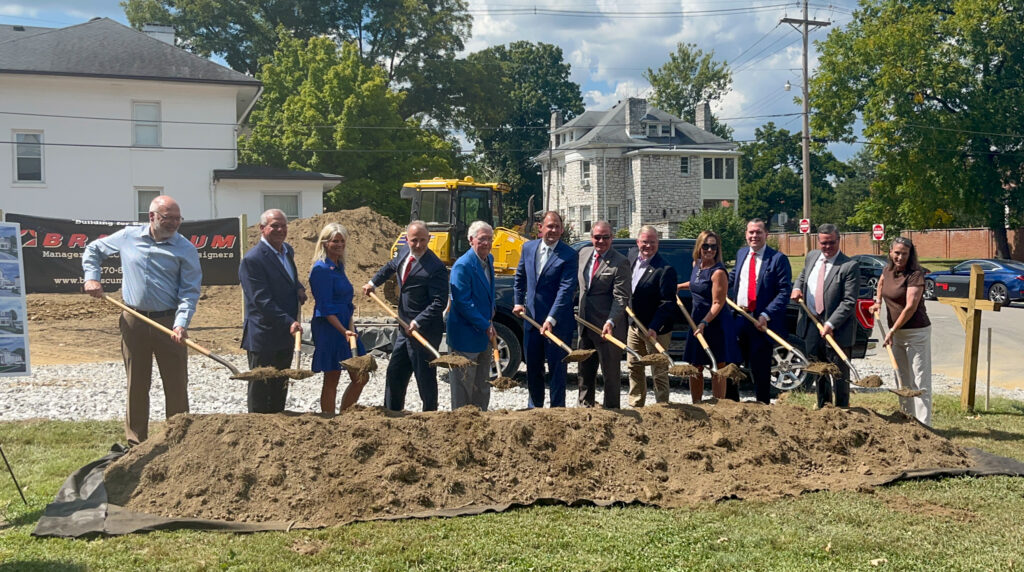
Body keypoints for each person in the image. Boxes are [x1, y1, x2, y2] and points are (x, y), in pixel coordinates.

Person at [82, 195, 201, 446]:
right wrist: (92, 277)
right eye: (169, 219)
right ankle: (136, 442)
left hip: (169, 323)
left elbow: (189, 291)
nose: (174, 224)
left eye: (178, 219)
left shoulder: (185, 249)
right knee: (137, 383)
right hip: (133, 320)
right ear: (152, 217)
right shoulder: (129, 236)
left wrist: (181, 323)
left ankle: (178, 441)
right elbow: (94, 249)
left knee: (176, 385)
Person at [364, 221, 448, 412]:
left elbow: (438, 303)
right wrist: (373, 283)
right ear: (407, 239)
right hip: (404, 329)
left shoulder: (436, 267)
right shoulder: (403, 251)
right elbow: (390, 267)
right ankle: (392, 414)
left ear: (429, 239)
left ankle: (431, 417)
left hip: (424, 332)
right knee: (395, 373)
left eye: (422, 240)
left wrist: (418, 322)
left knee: (424, 378)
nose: (418, 245)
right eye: (414, 240)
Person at [238, 209, 307, 414]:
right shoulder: (253, 260)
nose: (280, 230)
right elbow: (261, 300)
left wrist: (298, 287)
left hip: (285, 333)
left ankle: (277, 427)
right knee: (261, 387)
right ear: (262, 228)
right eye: (274, 225)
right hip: (264, 334)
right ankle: (257, 431)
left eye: (283, 225)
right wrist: (289, 322)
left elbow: (289, 277)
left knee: (280, 384)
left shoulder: (287, 250)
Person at [513, 211, 579, 408]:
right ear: (540, 228)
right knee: (533, 368)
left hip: (557, 324)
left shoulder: (569, 255)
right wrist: (518, 301)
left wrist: (552, 318)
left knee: (557, 370)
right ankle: (535, 409)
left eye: (558, 226)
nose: (554, 230)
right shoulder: (528, 248)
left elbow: (566, 290)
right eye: (550, 226)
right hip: (532, 321)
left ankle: (557, 411)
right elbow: (519, 278)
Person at [791, 224, 860, 409]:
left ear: (838, 240)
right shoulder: (812, 256)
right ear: (818, 241)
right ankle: (824, 408)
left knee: (839, 373)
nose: (827, 247)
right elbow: (803, 276)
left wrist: (830, 323)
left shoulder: (849, 266)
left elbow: (849, 301)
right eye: (823, 243)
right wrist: (797, 287)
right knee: (818, 370)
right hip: (812, 322)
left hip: (837, 327)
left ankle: (842, 410)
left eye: (831, 243)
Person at [728, 218, 792, 404]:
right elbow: (732, 280)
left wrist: (766, 315)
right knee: (733, 365)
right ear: (746, 235)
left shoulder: (777, 259)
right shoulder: (741, 254)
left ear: (766, 235)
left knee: (760, 368)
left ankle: (763, 406)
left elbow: (783, 291)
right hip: (739, 318)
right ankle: (732, 405)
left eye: (758, 232)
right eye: (751, 232)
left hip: (761, 321)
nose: (754, 236)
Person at [870, 237, 932, 425]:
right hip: (896, 333)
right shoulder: (887, 270)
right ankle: (907, 420)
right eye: (897, 253)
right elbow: (881, 283)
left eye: (904, 253)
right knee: (901, 379)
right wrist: (878, 301)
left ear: (910, 254)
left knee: (919, 380)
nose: (900, 257)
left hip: (916, 332)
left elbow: (911, 307)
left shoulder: (915, 274)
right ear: (890, 253)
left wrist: (892, 331)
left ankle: (924, 425)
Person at [309, 223, 367, 414]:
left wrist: (349, 323)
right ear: (325, 243)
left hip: (346, 323)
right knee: (332, 376)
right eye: (335, 241)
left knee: (361, 376)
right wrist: (343, 331)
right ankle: (329, 419)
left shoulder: (338, 266)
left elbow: (345, 298)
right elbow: (324, 307)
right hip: (330, 327)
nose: (339, 244)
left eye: (342, 241)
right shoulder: (320, 269)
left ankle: (345, 415)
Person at [678, 230, 738, 402]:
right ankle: (696, 404)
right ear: (699, 247)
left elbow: (718, 303)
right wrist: (679, 286)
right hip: (696, 320)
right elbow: (697, 284)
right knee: (695, 365)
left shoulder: (719, 272)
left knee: (717, 365)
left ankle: (719, 405)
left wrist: (704, 323)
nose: (709, 250)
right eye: (706, 246)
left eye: (713, 246)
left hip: (714, 322)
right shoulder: (696, 264)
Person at [576, 221, 630, 408]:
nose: (601, 241)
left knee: (610, 375)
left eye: (605, 237)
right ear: (591, 238)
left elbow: (621, 297)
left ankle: (612, 411)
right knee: (584, 370)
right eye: (597, 237)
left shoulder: (620, 262)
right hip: (585, 324)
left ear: (612, 238)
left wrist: (611, 321)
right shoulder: (583, 254)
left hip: (608, 329)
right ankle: (585, 408)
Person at [446, 221, 497, 410]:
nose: (486, 243)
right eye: (482, 239)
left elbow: (488, 293)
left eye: (489, 239)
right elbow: (462, 302)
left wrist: (490, 319)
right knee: (463, 388)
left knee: (482, 385)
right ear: (471, 240)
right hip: (464, 335)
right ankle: (460, 428)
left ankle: (481, 423)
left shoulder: (488, 260)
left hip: (483, 333)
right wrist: (485, 324)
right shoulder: (463, 266)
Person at [626, 226, 677, 407]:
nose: (648, 245)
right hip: (634, 325)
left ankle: (662, 407)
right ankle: (636, 403)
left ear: (658, 243)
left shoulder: (665, 269)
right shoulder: (631, 257)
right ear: (638, 242)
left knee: (659, 370)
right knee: (634, 365)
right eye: (644, 241)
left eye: (652, 242)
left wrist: (654, 326)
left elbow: (667, 302)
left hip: (657, 329)